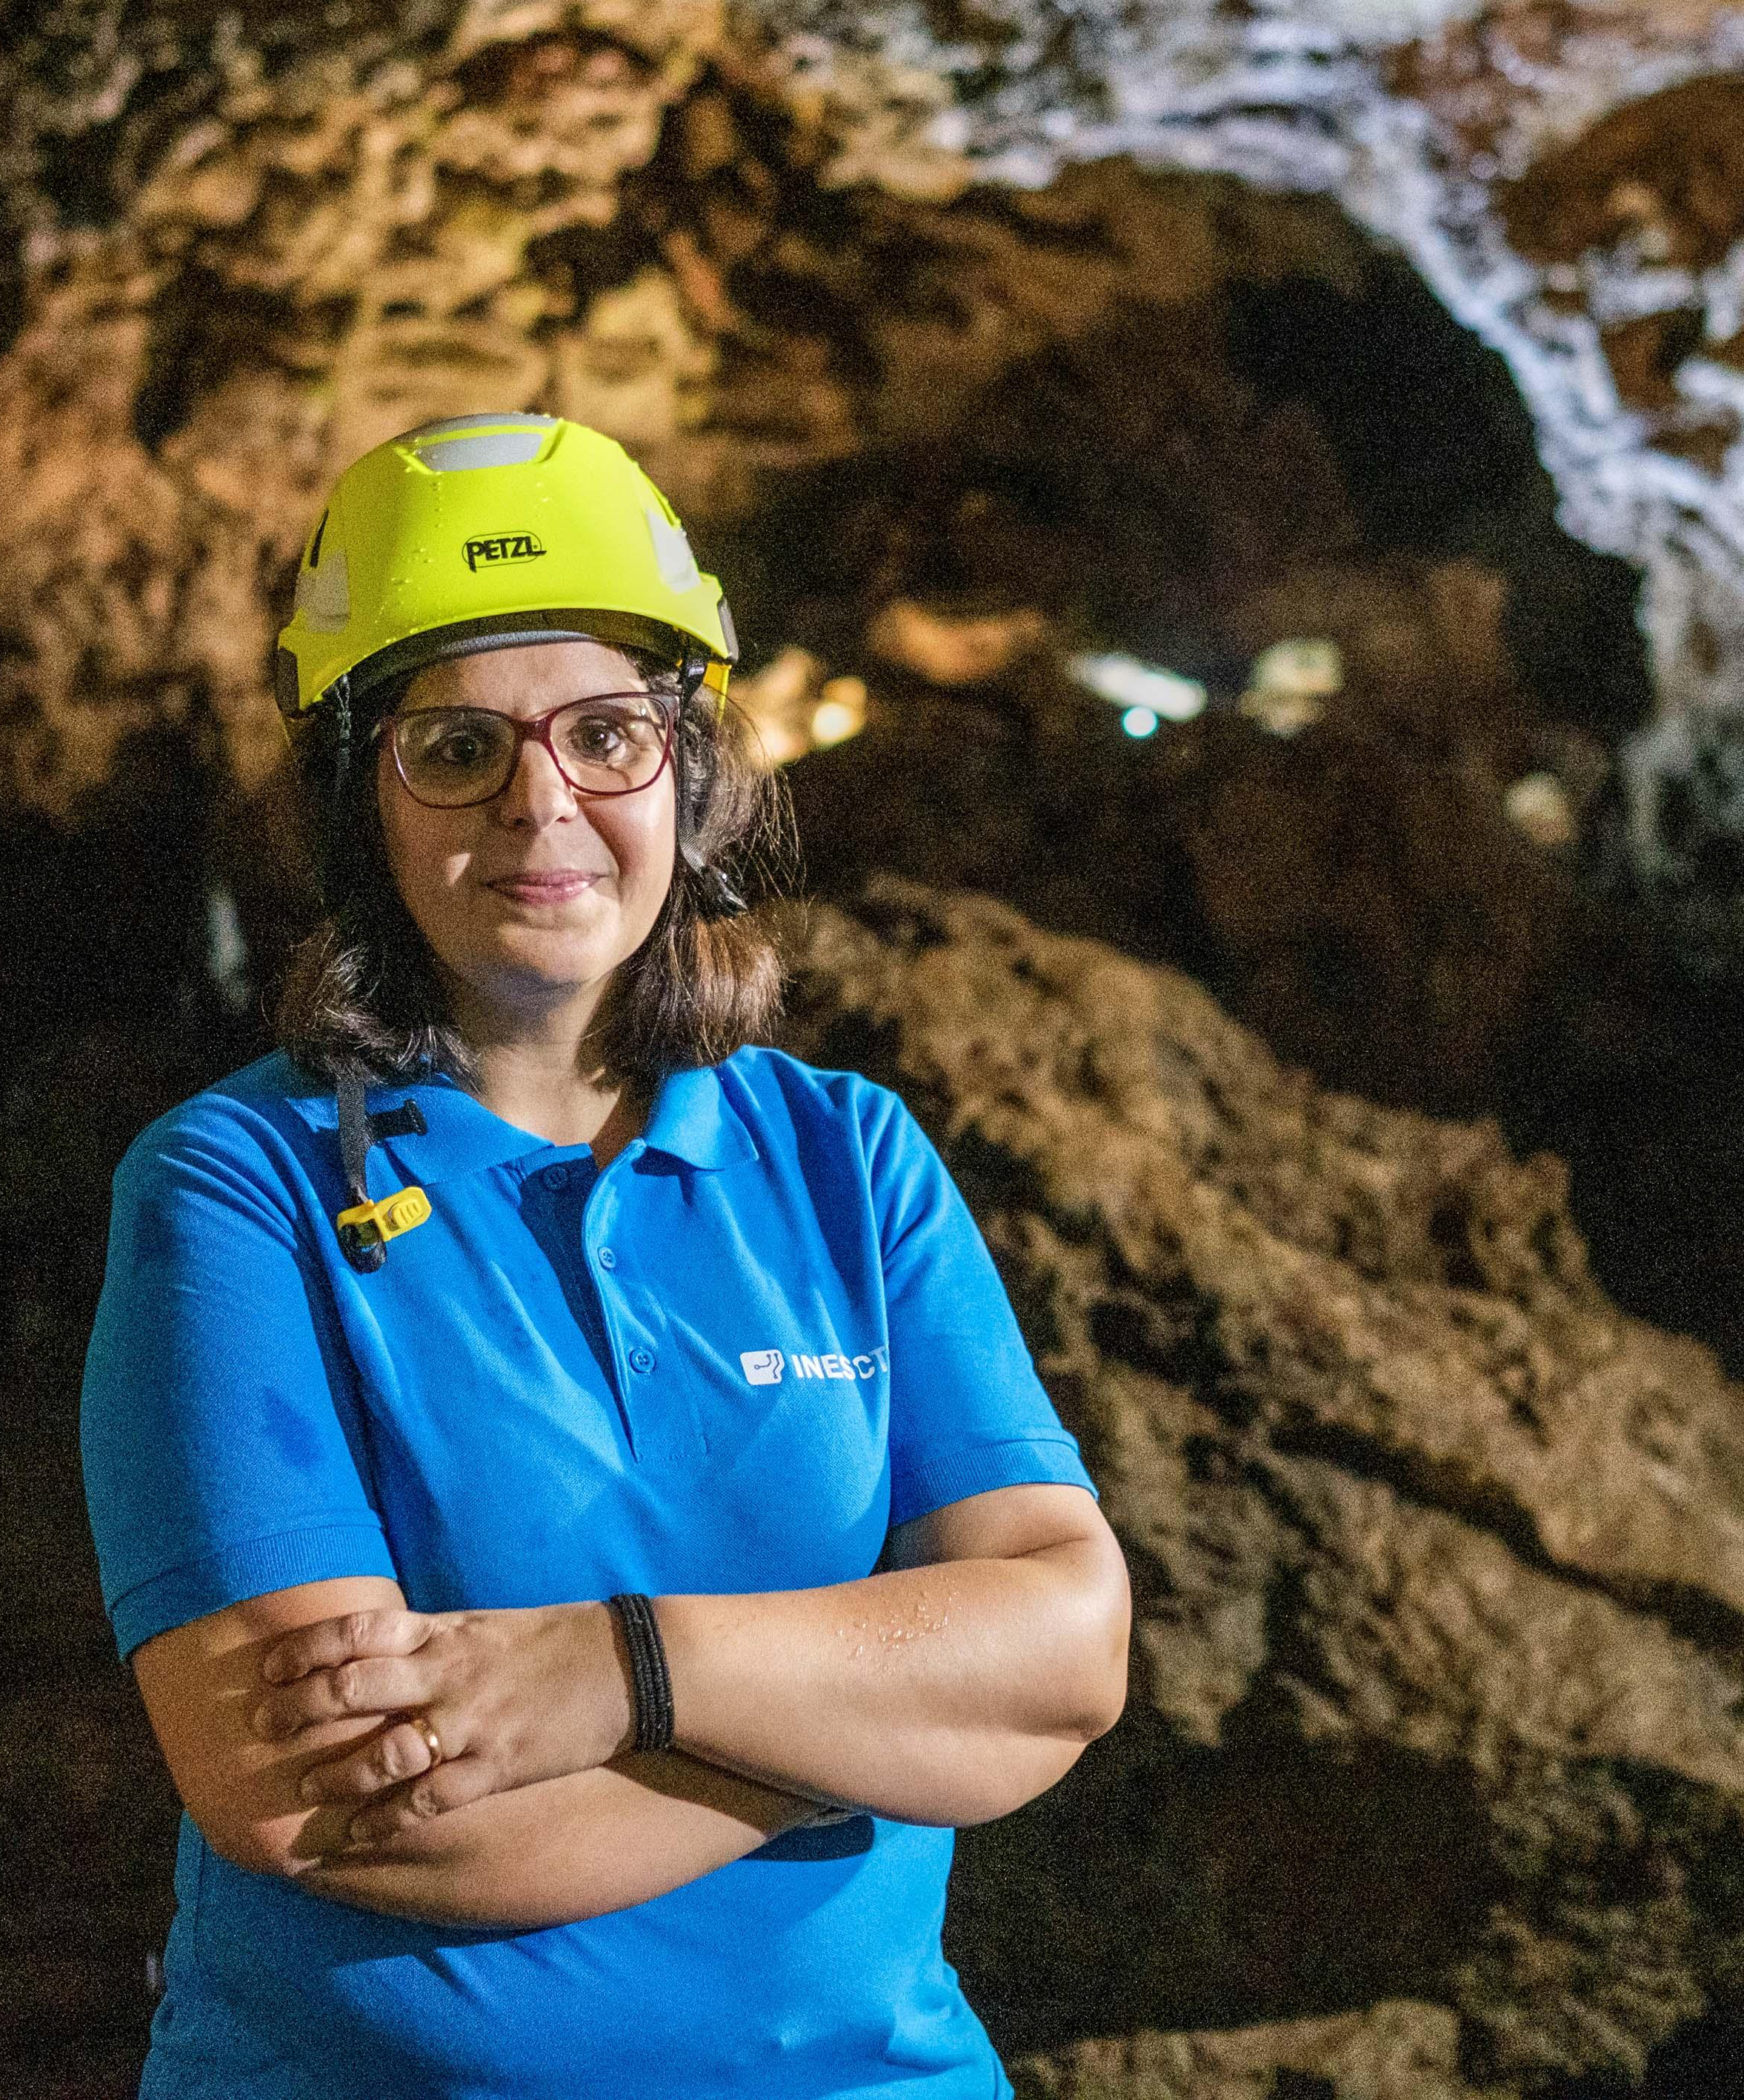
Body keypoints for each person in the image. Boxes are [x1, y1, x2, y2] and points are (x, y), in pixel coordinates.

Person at [79, 410, 1132, 2097]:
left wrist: (629, 1669)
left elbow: (1069, 1648)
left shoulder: (848, 1158)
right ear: (361, 802)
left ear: (688, 773)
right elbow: (314, 1791)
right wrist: (885, 1726)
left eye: (607, 734)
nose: (541, 801)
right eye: (455, 748)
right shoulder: (235, 1190)